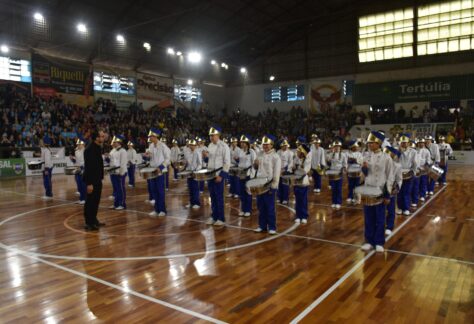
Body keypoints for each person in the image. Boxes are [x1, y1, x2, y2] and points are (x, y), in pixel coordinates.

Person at [361, 131, 394, 252]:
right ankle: (369, 241)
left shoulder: (386, 158)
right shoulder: (366, 156)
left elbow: (389, 176)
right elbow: (364, 174)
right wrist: (363, 169)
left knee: (380, 218)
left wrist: (387, 194)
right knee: (368, 218)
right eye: (369, 143)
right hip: (368, 190)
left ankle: (379, 241)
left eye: (372, 143)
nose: (370, 145)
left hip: (380, 190)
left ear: (379, 143)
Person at [253, 134, 281, 234]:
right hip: (260, 184)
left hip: (269, 185)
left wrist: (273, 187)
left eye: (267, 145)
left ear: (272, 145)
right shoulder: (260, 154)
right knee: (261, 207)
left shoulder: (275, 156)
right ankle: (262, 226)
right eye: (264, 144)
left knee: (270, 208)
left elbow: (276, 173)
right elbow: (257, 168)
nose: (265, 146)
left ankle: (272, 227)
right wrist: (255, 164)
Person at [203, 126, 230, 226]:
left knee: (219, 197)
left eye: (212, 135)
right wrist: (205, 157)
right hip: (210, 174)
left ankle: (221, 218)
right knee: (212, 197)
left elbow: (227, 163)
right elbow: (209, 161)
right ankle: (214, 216)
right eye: (210, 136)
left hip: (218, 175)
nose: (211, 137)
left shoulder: (224, 146)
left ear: (218, 135)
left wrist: (222, 176)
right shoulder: (210, 145)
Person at [83, 129, 106, 231]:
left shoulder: (97, 148)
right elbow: (88, 168)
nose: (103, 137)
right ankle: (89, 222)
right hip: (92, 181)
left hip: (97, 179)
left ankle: (94, 220)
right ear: (96, 138)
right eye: (101, 136)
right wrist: (89, 183)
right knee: (90, 202)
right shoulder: (89, 149)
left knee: (96, 201)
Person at [147, 128, 170, 217]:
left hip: (160, 171)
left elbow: (168, 159)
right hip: (153, 170)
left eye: (151, 136)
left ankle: (162, 210)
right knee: (154, 190)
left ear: (155, 136)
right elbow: (151, 157)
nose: (150, 138)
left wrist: (161, 167)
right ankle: (157, 209)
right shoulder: (151, 146)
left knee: (160, 191)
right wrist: (147, 156)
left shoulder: (163, 146)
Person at [397, 134, 417, 215]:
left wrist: (413, 172)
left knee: (406, 191)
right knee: (399, 191)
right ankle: (399, 207)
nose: (404, 144)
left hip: (408, 172)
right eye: (402, 142)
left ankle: (406, 208)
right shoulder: (397, 151)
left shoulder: (413, 151)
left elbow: (415, 163)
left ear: (409, 143)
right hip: (398, 173)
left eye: (405, 143)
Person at [385, 146, 402, 236]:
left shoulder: (397, 166)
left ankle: (389, 226)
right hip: (379, 189)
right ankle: (380, 225)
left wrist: (397, 187)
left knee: (391, 208)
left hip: (391, 189)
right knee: (380, 209)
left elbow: (399, 179)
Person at [237, 134, 256, 217]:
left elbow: (254, 164)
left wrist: (252, 175)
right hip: (241, 173)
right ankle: (243, 209)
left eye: (244, 142)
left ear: (247, 143)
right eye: (241, 142)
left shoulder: (252, 152)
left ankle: (248, 210)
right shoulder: (241, 151)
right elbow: (240, 163)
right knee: (242, 192)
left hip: (248, 174)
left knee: (248, 192)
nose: (242, 144)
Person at [293, 143, 311, 224]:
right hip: (296, 182)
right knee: (297, 200)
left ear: (302, 152)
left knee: (303, 200)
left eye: (298, 151)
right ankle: (298, 215)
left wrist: (297, 169)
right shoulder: (296, 159)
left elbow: (305, 170)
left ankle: (304, 216)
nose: (297, 153)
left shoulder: (307, 160)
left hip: (303, 182)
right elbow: (291, 167)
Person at [327, 140, 347, 209]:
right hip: (333, 173)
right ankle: (334, 202)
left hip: (339, 173)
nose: (336, 148)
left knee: (338, 189)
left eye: (338, 146)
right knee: (333, 188)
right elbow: (328, 162)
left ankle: (338, 202)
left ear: (340, 147)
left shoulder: (343, 155)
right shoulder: (331, 154)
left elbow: (345, 164)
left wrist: (344, 169)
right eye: (335, 146)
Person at [109, 135, 128, 210]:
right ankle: (116, 204)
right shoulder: (112, 150)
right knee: (115, 189)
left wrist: (121, 173)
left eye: (114, 142)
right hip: (113, 172)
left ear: (119, 142)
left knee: (120, 188)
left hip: (120, 173)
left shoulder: (123, 151)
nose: (113, 143)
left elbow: (123, 163)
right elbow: (111, 162)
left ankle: (122, 204)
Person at [185, 139, 202, 209]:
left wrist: (196, 171)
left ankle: (197, 203)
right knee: (190, 188)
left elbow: (200, 164)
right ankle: (191, 202)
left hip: (195, 172)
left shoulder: (197, 152)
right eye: (190, 145)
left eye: (192, 145)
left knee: (195, 188)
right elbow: (187, 163)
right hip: (189, 172)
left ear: (195, 146)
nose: (191, 146)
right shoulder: (187, 153)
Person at [346, 140, 363, 204]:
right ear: (351, 147)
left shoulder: (359, 154)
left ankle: (357, 198)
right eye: (355, 147)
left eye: (356, 147)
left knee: (357, 186)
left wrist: (356, 160)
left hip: (357, 172)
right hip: (350, 172)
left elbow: (361, 161)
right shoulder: (347, 153)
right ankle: (350, 197)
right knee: (350, 186)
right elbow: (347, 161)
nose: (356, 148)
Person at [71, 137, 86, 204]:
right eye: (77, 144)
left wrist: (83, 168)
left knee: (83, 185)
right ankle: (81, 198)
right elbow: (77, 162)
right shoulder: (76, 151)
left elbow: (87, 161)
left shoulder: (85, 151)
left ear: (83, 144)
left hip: (83, 169)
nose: (78, 145)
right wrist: (72, 160)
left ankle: (84, 199)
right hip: (78, 169)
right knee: (78, 184)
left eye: (79, 144)